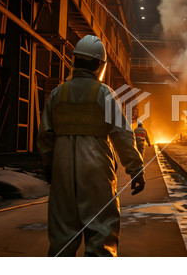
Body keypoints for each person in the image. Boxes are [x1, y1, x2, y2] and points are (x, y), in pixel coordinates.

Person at [37, 35, 145, 257]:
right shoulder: (104, 94)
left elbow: (45, 138)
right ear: (99, 65)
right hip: (96, 174)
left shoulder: (57, 94)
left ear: (75, 60)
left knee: (62, 239)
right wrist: (135, 169)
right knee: (101, 234)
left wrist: (50, 169)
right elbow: (122, 135)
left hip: (62, 173)